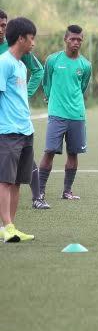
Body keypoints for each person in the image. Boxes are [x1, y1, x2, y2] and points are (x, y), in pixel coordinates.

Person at [37, 25, 92, 203]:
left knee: (73, 154)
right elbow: (46, 82)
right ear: (65, 39)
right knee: (50, 151)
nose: (76, 42)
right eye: (72, 39)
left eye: (79, 40)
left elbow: (82, 87)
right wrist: (49, 96)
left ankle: (67, 191)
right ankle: (40, 192)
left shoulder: (85, 65)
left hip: (77, 114)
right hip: (57, 114)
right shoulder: (53, 60)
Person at [0, 9, 48, 209]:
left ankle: (37, 197)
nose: (1, 29)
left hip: (16, 123)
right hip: (7, 125)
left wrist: (22, 95)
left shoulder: (13, 52)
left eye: (4, 25)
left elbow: (38, 70)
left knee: (18, 169)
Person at [0, 17, 38, 242]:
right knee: (5, 179)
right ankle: (6, 226)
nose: (33, 43)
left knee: (16, 181)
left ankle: (10, 227)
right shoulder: (3, 63)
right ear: (21, 38)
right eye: (31, 38)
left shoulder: (22, 66)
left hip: (25, 129)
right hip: (7, 130)